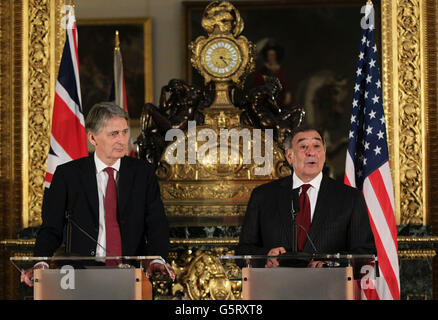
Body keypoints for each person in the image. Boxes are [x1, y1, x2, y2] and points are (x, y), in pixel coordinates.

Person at [22, 102, 173, 286]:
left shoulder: (143, 173)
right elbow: (51, 228)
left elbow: (157, 224)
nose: (122, 140)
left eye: (125, 132)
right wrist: (41, 261)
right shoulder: (68, 175)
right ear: (93, 138)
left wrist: (156, 259)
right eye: (113, 134)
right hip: (80, 276)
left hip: (131, 275)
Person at [236, 126, 376, 266]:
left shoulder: (350, 198)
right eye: (303, 146)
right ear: (290, 156)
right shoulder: (263, 196)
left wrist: (330, 263)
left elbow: (365, 253)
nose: (311, 152)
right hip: (278, 284)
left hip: (328, 285)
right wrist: (266, 256)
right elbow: (243, 251)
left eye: (316, 146)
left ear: (324, 153)